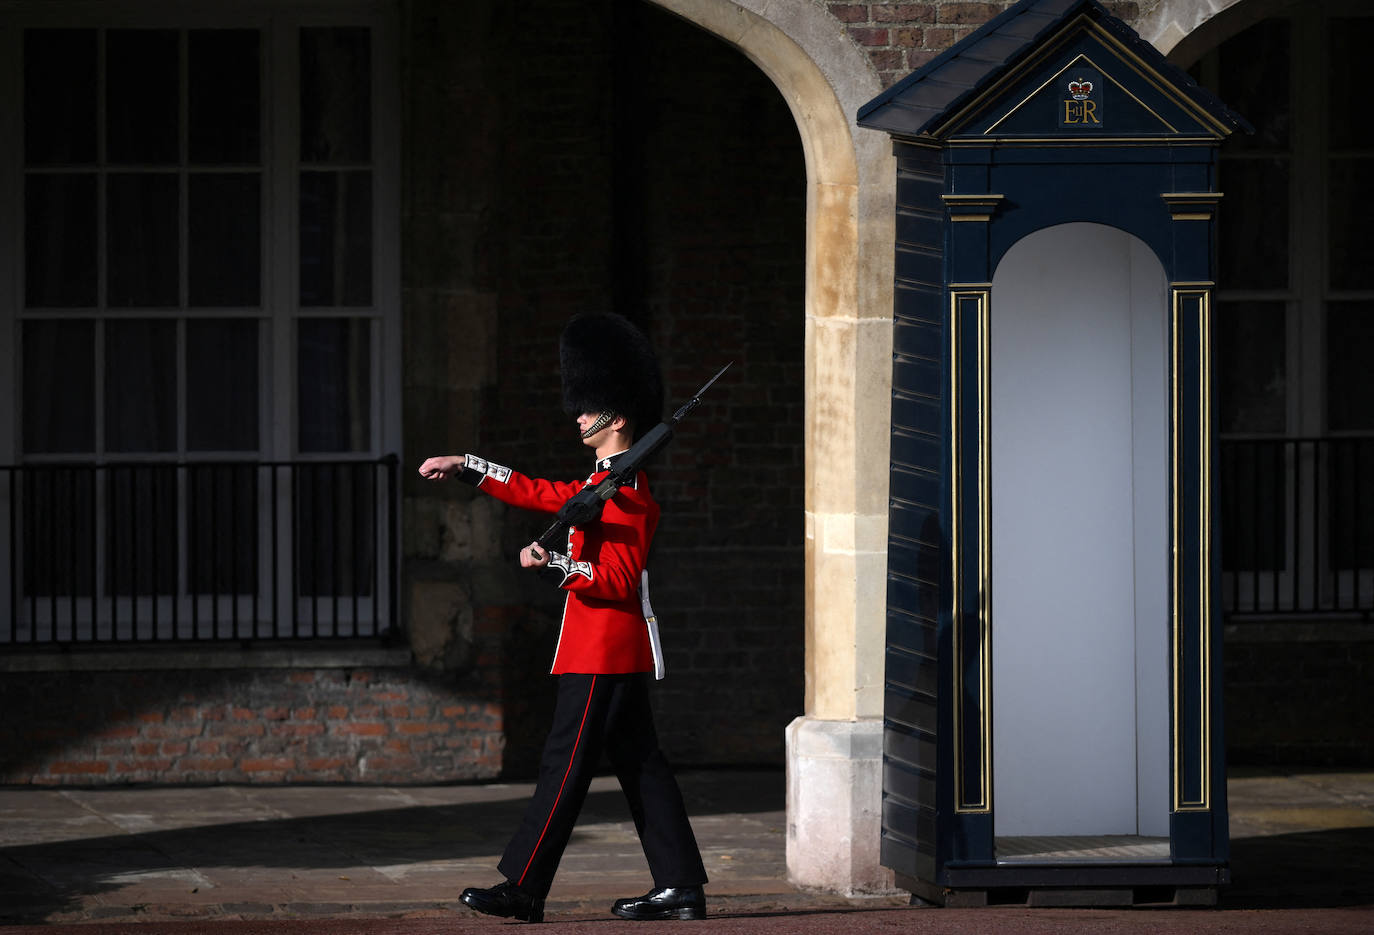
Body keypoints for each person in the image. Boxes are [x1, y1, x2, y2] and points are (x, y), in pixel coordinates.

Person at [417, 313, 708, 923]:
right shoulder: (601, 484)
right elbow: (538, 490)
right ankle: (679, 885)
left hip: (602, 650)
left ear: (619, 417)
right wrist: (468, 465)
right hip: (607, 650)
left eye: (590, 406)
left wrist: (552, 565)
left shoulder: (627, 494)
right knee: (640, 765)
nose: (579, 415)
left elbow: (619, 583)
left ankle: (524, 887)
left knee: (564, 767)